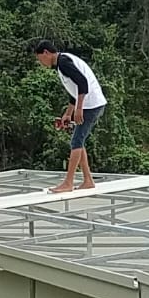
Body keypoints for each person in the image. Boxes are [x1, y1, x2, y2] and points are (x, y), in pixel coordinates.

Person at [31, 40, 107, 194]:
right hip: (88, 103)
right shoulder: (61, 63)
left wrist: (78, 109)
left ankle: (68, 182)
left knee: (76, 141)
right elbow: (74, 91)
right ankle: (87, 180)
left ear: (46, 53)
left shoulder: (64, 62)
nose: (41, 63)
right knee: (79, 139)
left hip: (91, 104)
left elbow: (83, 83)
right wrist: (68, 113)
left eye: (40, 59)